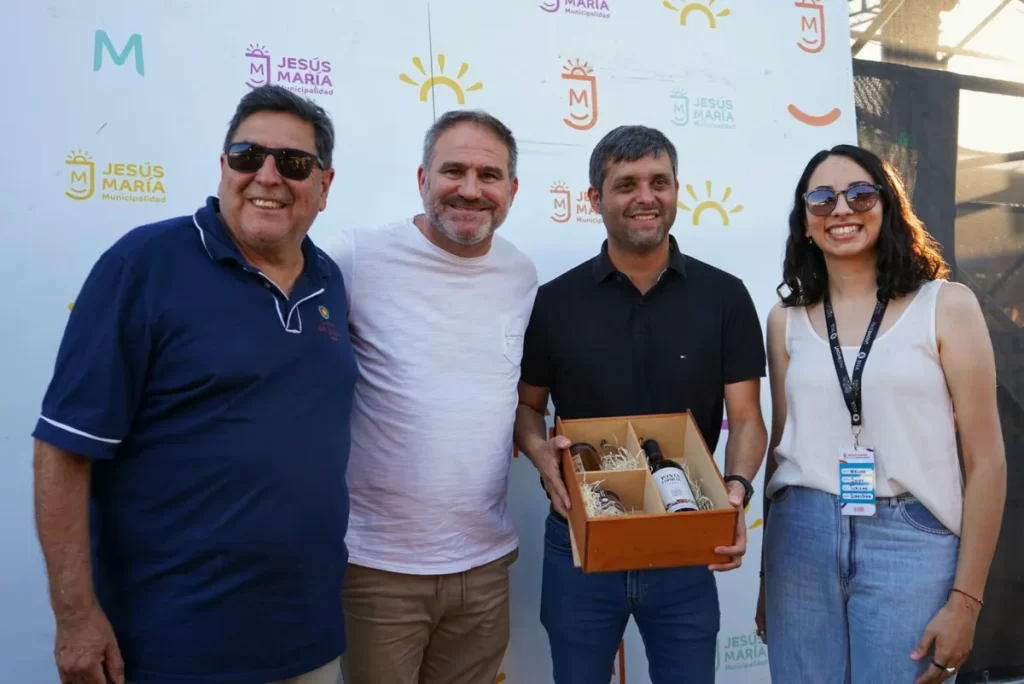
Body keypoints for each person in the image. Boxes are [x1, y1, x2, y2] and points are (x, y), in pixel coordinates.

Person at [32, 85, 356, 684]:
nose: (267, 175)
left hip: (308, 637)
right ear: (223, 166)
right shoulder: (143, 266)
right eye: (245, 155)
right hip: (173, 645)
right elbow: (62, 451)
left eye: (292, 163)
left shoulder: (329, 279)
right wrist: (75, 616)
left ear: (324, 186)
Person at [513, 124, 768, 684]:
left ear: (678, 190)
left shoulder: (724, 296)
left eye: (659, 181)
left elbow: (748, 418)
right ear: (594, 200)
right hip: (579, 535)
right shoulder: (554, 302)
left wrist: (737, 490)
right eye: (626, 184)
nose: (645, 196)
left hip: (684, 531)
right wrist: (539, 454)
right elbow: (527, 409)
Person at [755, 144, 1007, 684]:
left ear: (887, 205)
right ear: (804, 221)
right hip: (800, 540)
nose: (840, 210)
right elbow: (781, 451)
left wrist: (966, 602)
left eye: (859, 194)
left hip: (909, 539)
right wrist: (763, 582)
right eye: (821, 199)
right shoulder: (784, 320)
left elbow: (986, 462)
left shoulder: (946, 305)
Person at [324, 110, 537, 684]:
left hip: (485, 563)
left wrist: (542, 449)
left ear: (512, 190)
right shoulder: (354, 257)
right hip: (377, 569)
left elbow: (511, 397)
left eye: (489, 175)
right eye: (453, 171)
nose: (471, 189)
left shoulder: (521, 275)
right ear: (422, 178)